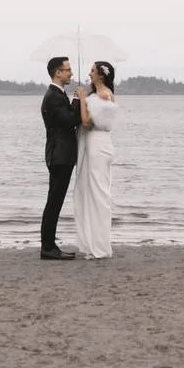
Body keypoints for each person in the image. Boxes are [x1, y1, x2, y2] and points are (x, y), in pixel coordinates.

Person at [73, 60, 120, 259]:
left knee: (99, 193)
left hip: (98, 146)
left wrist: (83, 99)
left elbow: (87, 122)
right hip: (94, 145)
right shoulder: (98, 95)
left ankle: (100, 246)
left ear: (101, 75)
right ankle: (92, 243)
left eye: (92, 71)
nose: (89, 73)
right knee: (89, 192)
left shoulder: (104, 95)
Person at [39, 56, 82, 260]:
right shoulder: (53, 96)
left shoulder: (57, 94)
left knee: (54, 201)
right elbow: (70, 121)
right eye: (67, 69)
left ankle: (49, 244)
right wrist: (77, 99)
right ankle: (47, 247)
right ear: (57, 72)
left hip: (61, 155)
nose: (71, 73)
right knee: (54, 202)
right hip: (59, 155)